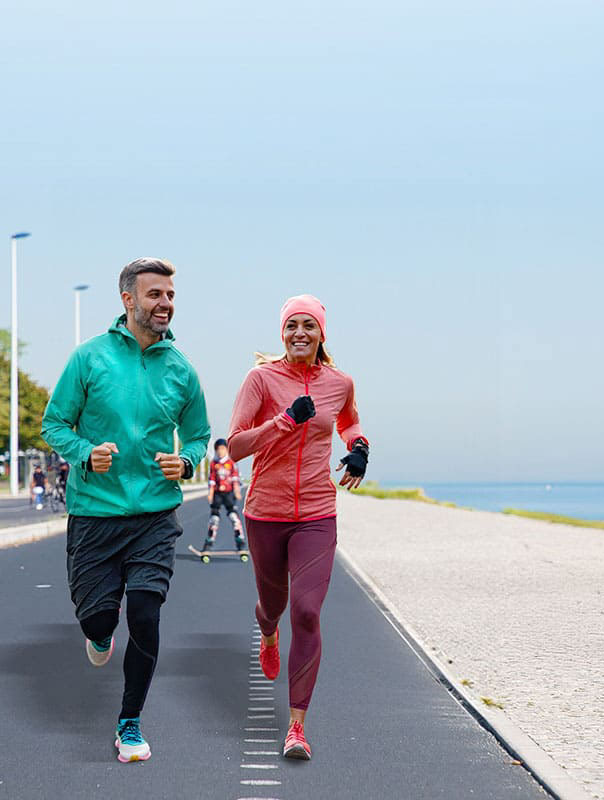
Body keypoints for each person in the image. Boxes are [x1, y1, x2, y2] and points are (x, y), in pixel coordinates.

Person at [41, 257, 210, 763]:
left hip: (154, 515)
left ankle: (129, 723)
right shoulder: (88, 358)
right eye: (155, 294)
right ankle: (98, 634)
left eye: (170, 295)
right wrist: (82, 455)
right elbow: (54, 425)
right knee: (97, 621)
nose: (165, 304)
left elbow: (200, 434)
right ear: (128, 300)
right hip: (94, 513)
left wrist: (186, 460)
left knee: (145, 613)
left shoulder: (181, 368)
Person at [228, 294, 368, 760]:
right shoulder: (261, 379)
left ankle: (296, 727)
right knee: (274, 606)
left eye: (309, 325)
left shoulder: (339, 382)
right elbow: (235, 446)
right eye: (292, 326)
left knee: (307, 611)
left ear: (322, 333)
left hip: (316, 512)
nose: (300, 333)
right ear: (282, 333)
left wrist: (360, 447)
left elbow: (348, 423)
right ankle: (267, 629)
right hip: (265, 512)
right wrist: (284, 421)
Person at [201, 438, 245, 554]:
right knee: (214, 519)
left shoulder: (231, 463)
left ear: (226, 449)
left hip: (229, 494)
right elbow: (211, 480)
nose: (220, 451)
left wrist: (237, 491)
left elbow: (235, 478)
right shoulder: (213, 463)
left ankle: (240, 542)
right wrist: (210, 493)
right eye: (218, 449)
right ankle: (208, 543)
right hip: (217, 494)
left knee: (234, 518)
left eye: (222, 449)